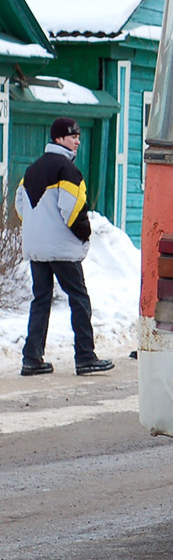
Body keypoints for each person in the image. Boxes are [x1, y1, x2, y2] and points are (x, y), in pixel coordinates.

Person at [16, 117, 113, 377]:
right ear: (59, 139)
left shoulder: (31, 170)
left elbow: (20, 207)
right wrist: (84, 234)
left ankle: (32, 359)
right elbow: (73, 211)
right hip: (62, 249)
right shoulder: (68, 171)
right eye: (74, 137)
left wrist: (39, 230)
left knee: (41, 300)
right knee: (79, 299)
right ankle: (85, 357)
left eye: (79, 137)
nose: (78, 141)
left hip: (37, 249)